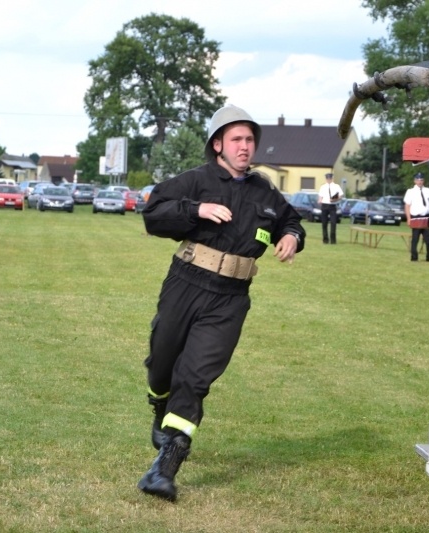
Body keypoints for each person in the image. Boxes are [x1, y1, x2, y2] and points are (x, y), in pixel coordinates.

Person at [138, 104, 306, 502]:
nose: (245, 146)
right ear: (218, 145)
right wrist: (196, 209)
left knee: (195, 377)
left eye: (250, 140)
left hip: (231, 298)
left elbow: (290, 220)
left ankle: (165, 466)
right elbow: (152, 215)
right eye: (237, 139)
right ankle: (159, 403)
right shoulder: (194, 180)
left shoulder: (264, 190)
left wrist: (292, 237)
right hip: (186, 282)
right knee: (163, 363)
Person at [403, 172, 429, 262]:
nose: (420, 182)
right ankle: (414, 257)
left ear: (423, 181)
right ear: (414, 181)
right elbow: (407, 206)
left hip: (426, 217)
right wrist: (409, 218)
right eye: (418, 180)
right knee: (415, 238)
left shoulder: (428, 190)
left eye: (421, 180)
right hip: (416, 217)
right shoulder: (410, 191)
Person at [317, 172, 343, 244]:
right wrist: (319, 200)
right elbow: (320, 196)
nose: (329, 180)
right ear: (326, 179)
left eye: (330, 178)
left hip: (332, 205)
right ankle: (325, 240)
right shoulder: (323, 186)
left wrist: (335, 199)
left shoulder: (336, 186)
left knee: (333, 223)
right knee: (324, 223)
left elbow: (341, 196)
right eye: (327, 178)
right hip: (324, 205)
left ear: (332, 178)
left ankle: (333, 240)